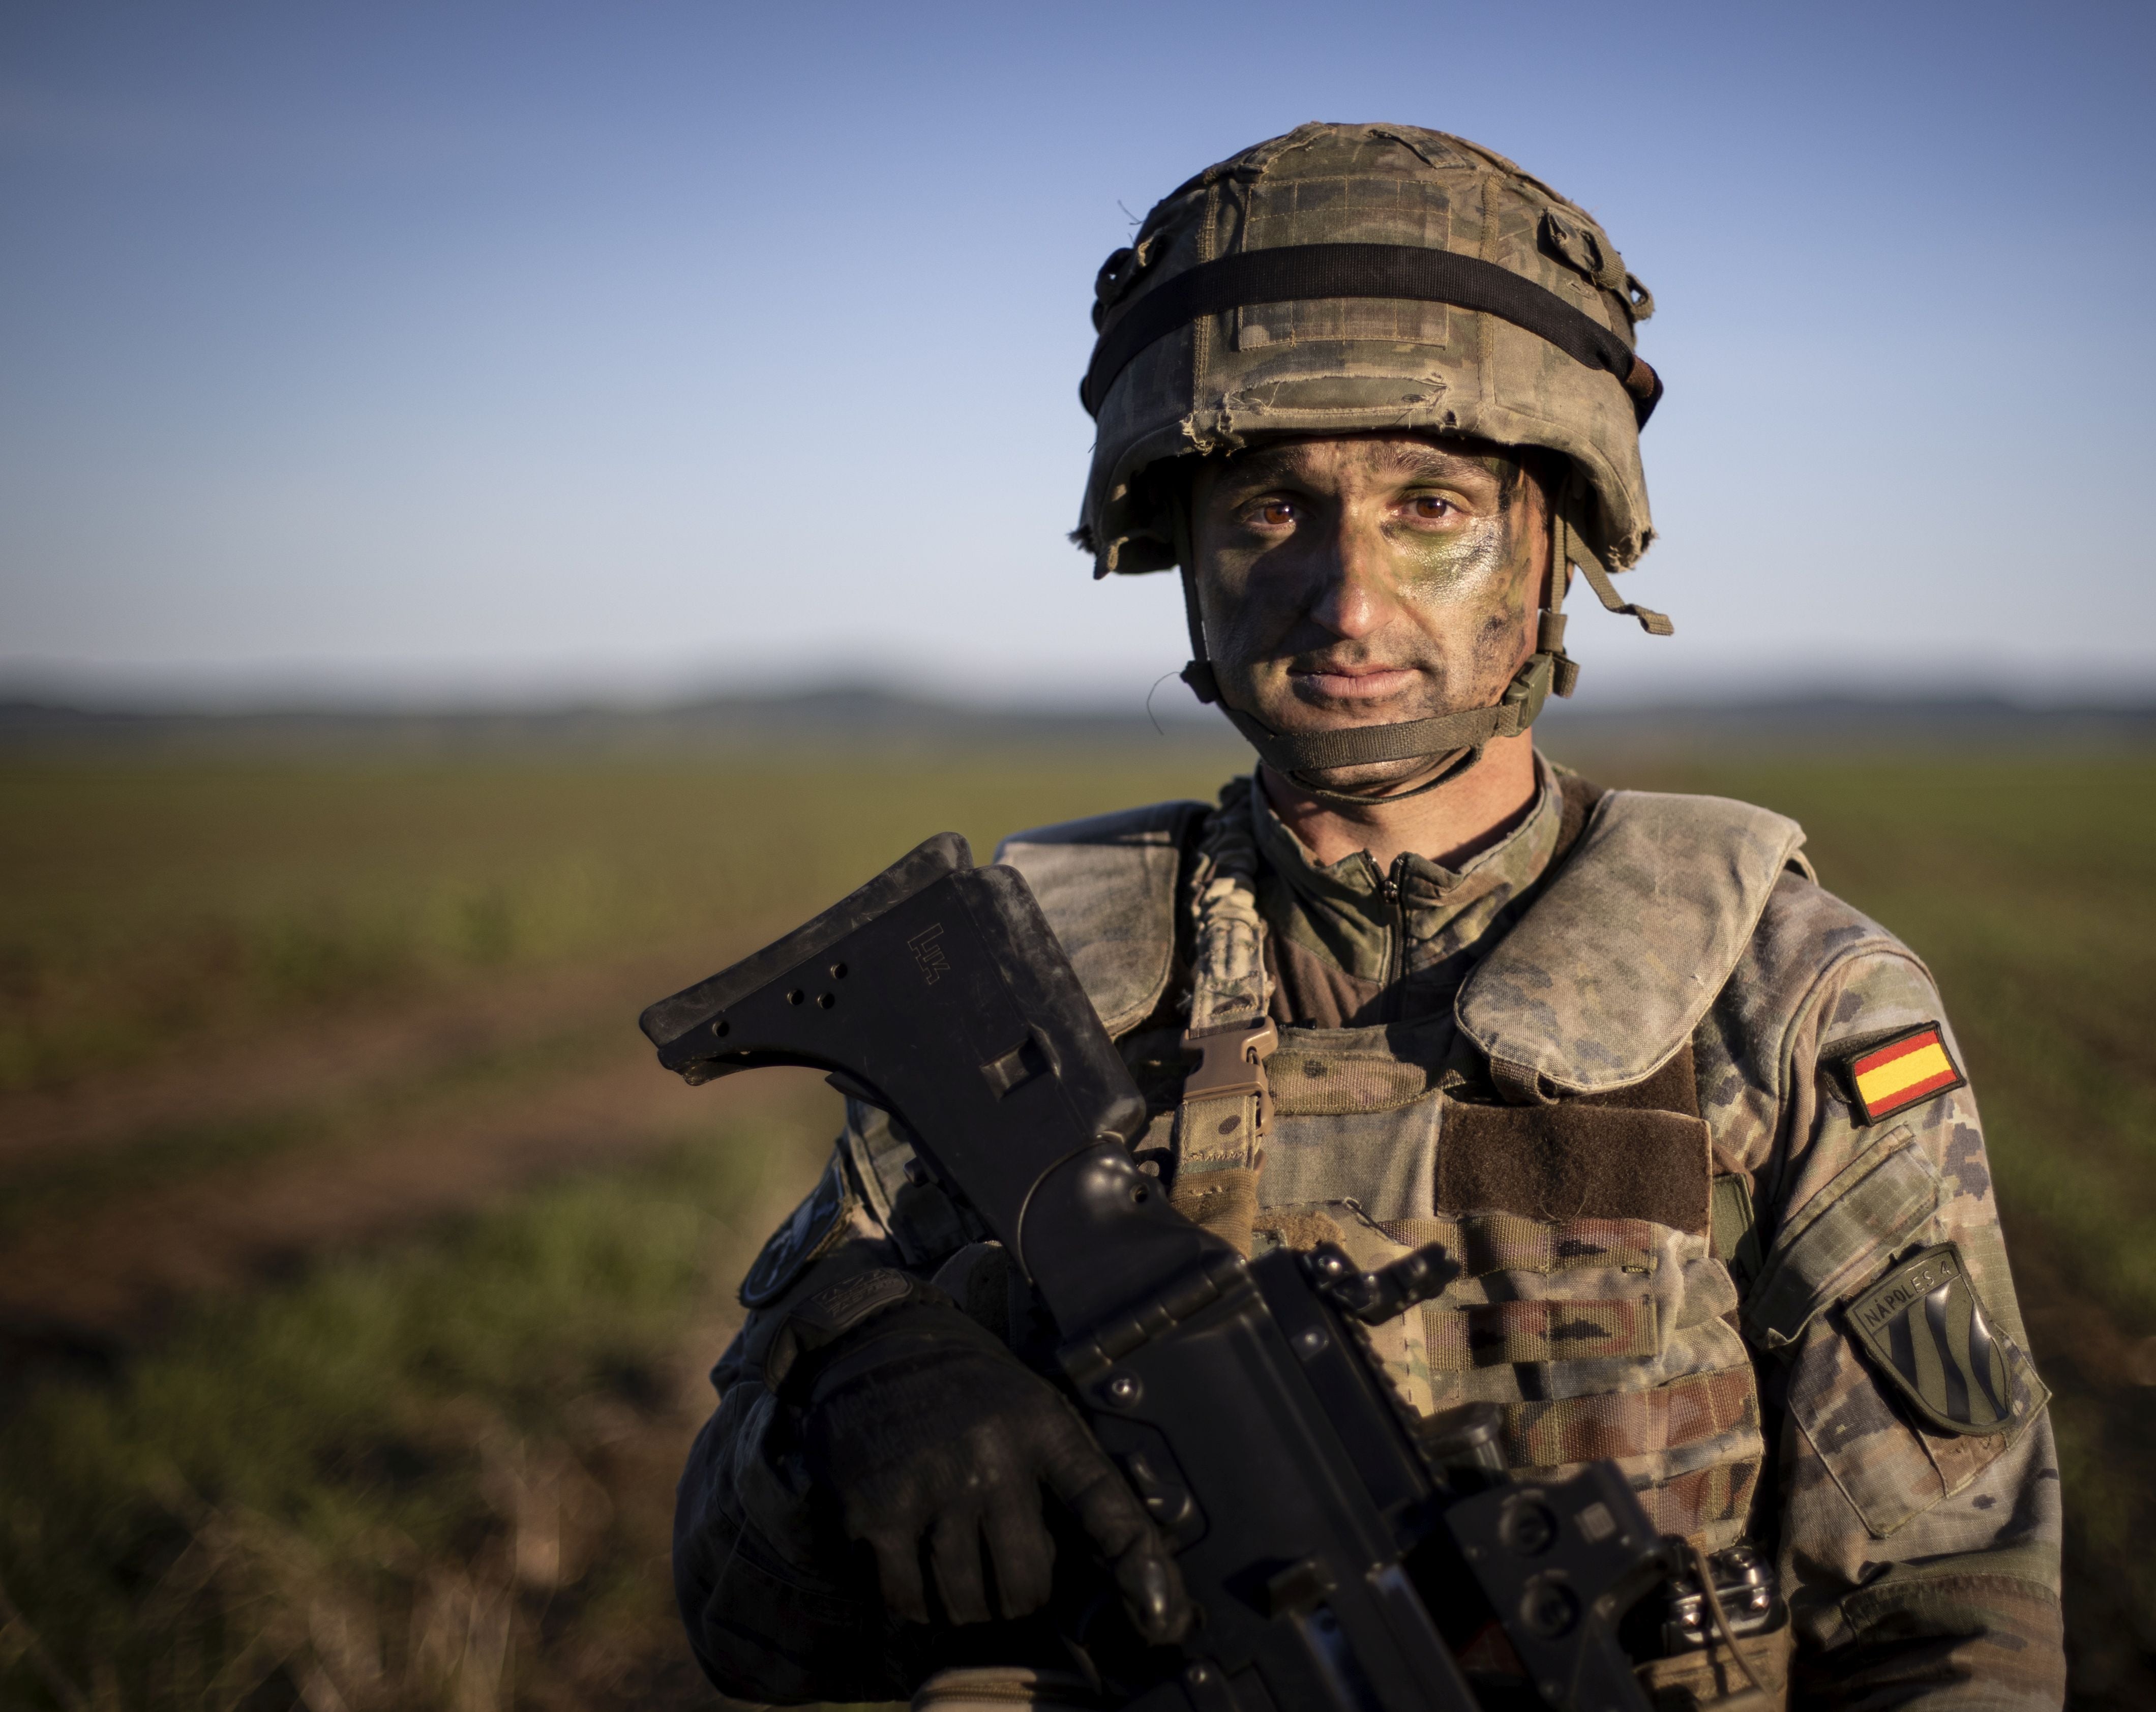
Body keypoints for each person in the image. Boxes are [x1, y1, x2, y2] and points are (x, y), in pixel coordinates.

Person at [671, 122, 2066, 1709]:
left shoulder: (1782, 994)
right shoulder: (1026, 991)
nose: (1345, 600)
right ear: (1180, 552)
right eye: (1271, 510)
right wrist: (853, 1388)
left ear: (1555, 547)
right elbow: (747, 1627)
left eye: (1428, 508)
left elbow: (1953, 1611)